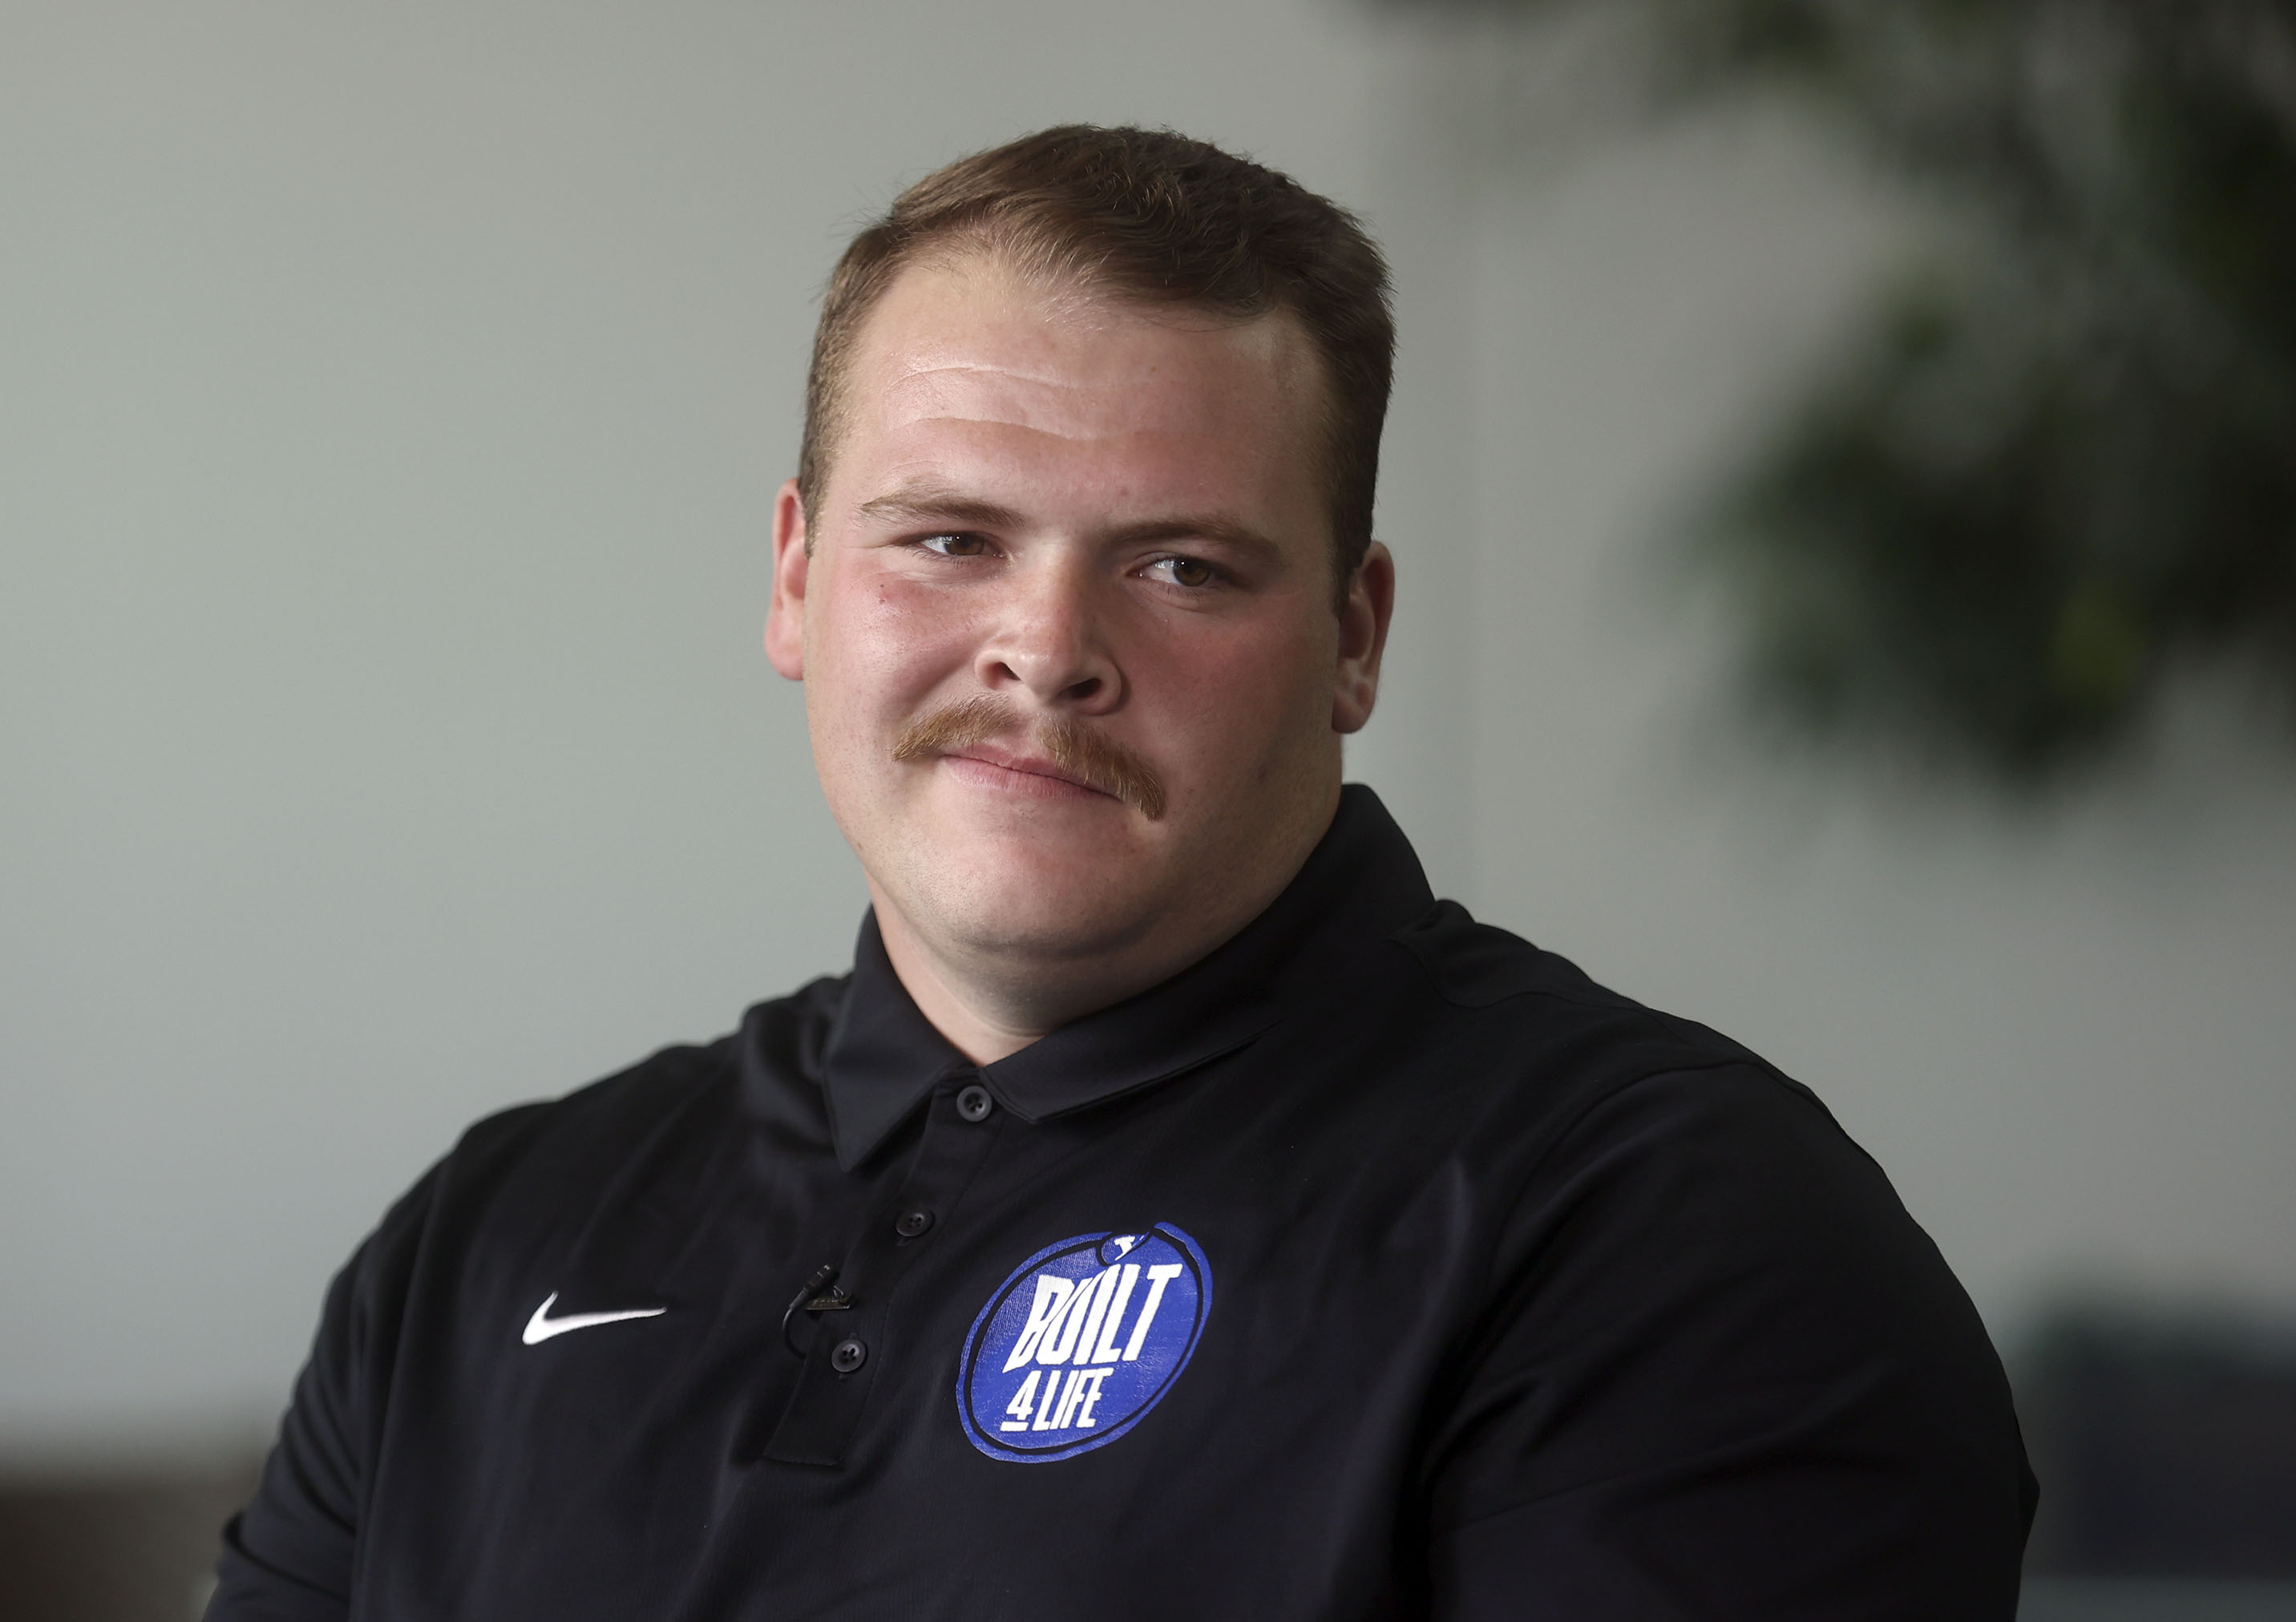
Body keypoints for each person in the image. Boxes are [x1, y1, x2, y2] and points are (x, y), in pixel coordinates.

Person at [207, 125, 2037, 1620]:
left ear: (1354, 633)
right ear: (793, 577)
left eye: (1180, 568)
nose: (1045, 647)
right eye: (947, 538)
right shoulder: (494, 1231)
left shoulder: (1664, 1233)